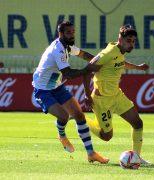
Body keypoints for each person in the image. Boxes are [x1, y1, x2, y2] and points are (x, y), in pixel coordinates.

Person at [32, 21, 109, 164]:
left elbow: (83, 54)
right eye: (68, 32)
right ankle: (62, 135)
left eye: (73, 32)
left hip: (57, 86)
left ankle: (91, 153)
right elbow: (67, 73)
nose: (72, 35)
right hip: (43, 90)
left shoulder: (67, 46)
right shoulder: (58, 50)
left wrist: (98, 61)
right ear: (60, 34)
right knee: (64, 116)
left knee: (79, 115)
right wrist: (88, 70)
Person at [83, 24, 149, 164]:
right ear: (120, 39)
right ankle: (81, 118)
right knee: (106, 136)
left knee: (137, 123)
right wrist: (87, 96)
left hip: (117, 96)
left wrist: (138, 67)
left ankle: (136, 157)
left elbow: (121, 63)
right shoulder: (108, 53)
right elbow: (87, 70)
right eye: (129, 41)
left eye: (133, 41)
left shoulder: (119, 53)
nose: (132, 44)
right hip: (102, 101)